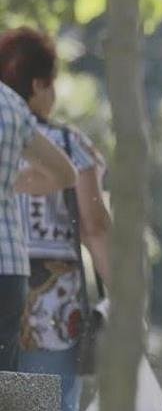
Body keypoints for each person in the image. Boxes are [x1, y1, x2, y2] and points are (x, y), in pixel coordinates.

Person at [0, 27, 107, 411]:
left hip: (16, 289)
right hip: (49, 305)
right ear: (40, 84)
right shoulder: (64, 141)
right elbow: (96, 229)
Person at [0, 30, 77, 373]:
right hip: (10, 269)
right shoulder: (12, 106)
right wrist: (16, 184)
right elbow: (65, 173)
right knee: (13, 387)